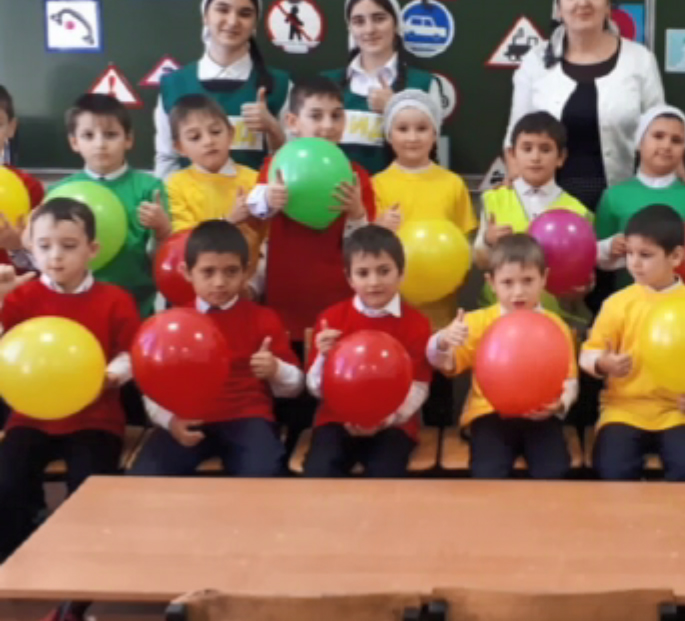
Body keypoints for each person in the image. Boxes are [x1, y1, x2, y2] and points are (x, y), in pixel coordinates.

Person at [0, 198, 139, 562]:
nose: (56, 256)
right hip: (30, 417)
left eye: (69, 246)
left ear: (92, 250)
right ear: (31, 248)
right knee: (7, 482)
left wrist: (113, 374)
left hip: (95, 417)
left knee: (89, 487)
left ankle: (86, 559)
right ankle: (18, 555)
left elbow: (131, 353)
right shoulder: (19, 298)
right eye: (44, 246)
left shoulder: (115, 300)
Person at [130, 221, 301, 477]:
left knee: (264, 475)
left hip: (247, 417)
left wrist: (275, 369)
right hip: (188, 418)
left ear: (247, 271)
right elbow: (150, 384)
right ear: (187, 272)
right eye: (208, 272)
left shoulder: (263, 319)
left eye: (231, 272)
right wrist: (170, 421)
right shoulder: (172, 324)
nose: (219, 283)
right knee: (145, 478)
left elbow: (295, 386)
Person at [507, 0, 664, 210]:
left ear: (608, 6)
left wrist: (677, 175)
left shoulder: (639, 59)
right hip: (547, 206)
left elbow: (661, 129)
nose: (583, 2)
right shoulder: (535, 62)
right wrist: (521, 200)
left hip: (623, 204)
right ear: (558, 8)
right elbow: (515, 137)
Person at [580, 205, 685, 481]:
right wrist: (603, 363)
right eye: (630, 253)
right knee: (612, 469)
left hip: (677, 412)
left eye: (645, 255)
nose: (634, 263)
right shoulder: (617, 304)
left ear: (675, 256)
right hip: (623, 410)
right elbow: (589, 353)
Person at [428, 234, 577, 479]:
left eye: (528, 280)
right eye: (507, 282)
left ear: (544, 278)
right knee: (488, 471)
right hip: (490, 414)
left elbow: (569, 378)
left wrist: (560, 404)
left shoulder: (555, 325)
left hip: (541, 414)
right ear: (491, 283)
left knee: (554, 470)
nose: (518, 292)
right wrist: (443, 341)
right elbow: (448, 364)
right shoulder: (477, 322)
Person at [248, 77, 377, 350]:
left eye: (336, 116)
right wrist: (268, 198)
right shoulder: (276, 168)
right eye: (316, 116)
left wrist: (357, 214)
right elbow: (253, 219)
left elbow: (367, 246)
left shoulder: (357, 177)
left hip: (339, 305)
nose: (328, 126)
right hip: (285, 302)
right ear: (293, 122)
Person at [304, 226, 432, 478]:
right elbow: (315, 388)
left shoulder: (416, 324)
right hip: (337, 420)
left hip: (394, 424)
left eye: (384, 271)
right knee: (321, 469)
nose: (374, 282)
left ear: (401, 273)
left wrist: (385, 420)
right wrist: (323, 356)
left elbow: (418, 386)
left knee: (385, 471)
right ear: (349, 278)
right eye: (363, 273)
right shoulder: (331, 319)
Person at [155, 0, 289, 178]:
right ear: (205, 16)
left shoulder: (280, 85)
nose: (233, 21)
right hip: (190, 199)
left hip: (257, 198)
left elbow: (293, 164)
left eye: (245, 14)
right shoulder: (175, 85)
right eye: (222, 10)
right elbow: (167, 160)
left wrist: (273, 129)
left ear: (255, 23)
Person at [55, 94, 171, 316]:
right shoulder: (60, 192)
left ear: (128, 139)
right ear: (74, 142)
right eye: (88, 135)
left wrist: (162, 230)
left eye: (110, 134)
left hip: (135, 307)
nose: (100, 144)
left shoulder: (149, 188)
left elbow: (161, 260)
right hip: (74, 307)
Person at [372, 89, 476, 329]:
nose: (412, 137)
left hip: (442, 310)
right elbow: (368, 247)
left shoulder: (453, 184)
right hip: (392, 310)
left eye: (422, 128)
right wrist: (380, 227)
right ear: (389, 134)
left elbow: (464, 245)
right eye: (402, 129)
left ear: (435, 133)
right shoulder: (377, 184)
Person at [474, 111, 589, 319]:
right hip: (499, 315)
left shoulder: (578, 212)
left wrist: (583, 287)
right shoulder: (493, 199)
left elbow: (586, 276)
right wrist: (488, 241)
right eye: (527, 149)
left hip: (555, 316)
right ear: (512, 155)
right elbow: (479, 260)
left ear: (561, 157)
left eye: (545, 149)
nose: (535, 157)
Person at [320, 0, 443, 175]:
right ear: (350, 28)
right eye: (359, 21)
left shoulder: (424, 84)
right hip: (337, 192)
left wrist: (394, 108)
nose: (369, 29)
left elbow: (429, 155)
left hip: (399, 192)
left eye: (379, 19)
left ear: (396, 23)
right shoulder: (326, 84)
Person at [596, 105, 685, 285]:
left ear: (684, 149)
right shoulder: (613, 196)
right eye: (658, 136)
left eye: (676, 140)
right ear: (640, 142)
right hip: (630, 296)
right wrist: (609, 246)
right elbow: (594, 254)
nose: (666, 145)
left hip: (681, 296)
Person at [164, 95, 264, 273]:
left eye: (216, 132)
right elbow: (184, 241)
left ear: (231, 134)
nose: (208, 141)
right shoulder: (175, 185)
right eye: (195, 137)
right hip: (199, 281)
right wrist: (228, 221)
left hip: (249, 279)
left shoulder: (255, 180)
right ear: (179, 147)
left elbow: (267, 239)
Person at [0, 84, 44, 274]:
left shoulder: (29, 187)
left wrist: (17, 245)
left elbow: (46, 266)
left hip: (16, 288)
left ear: (11, 128)